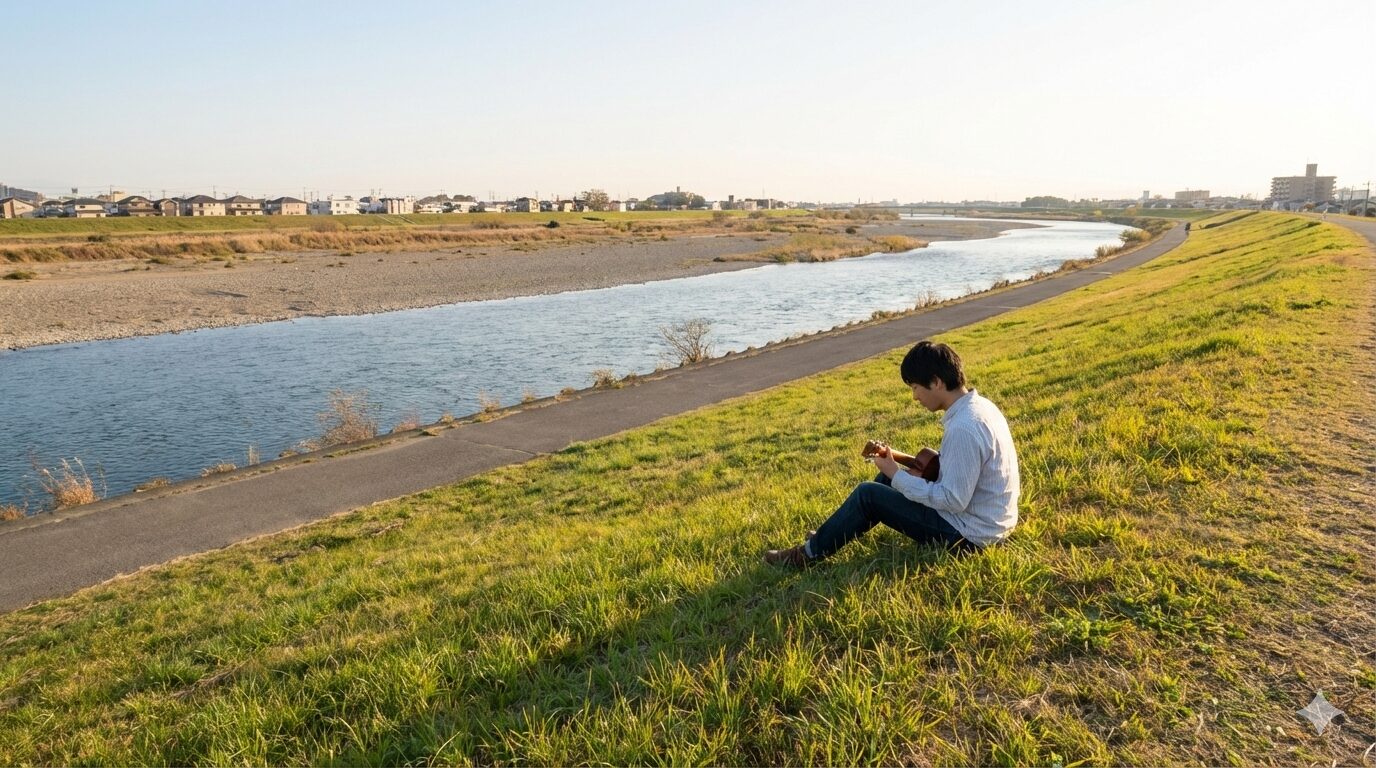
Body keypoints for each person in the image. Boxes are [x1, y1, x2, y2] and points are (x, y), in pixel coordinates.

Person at [763, 340, 1020, 567]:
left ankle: (806, 555)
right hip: (986, 520)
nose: (915, 397)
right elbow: (956, 473)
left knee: (868, 494)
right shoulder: (979, 407)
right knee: (886, 481)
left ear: (937, 382)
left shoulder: (964, 427)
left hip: (971, 536)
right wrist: (897, 467)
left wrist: (897, 475)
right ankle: (826, 537)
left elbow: (953, 500)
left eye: (916, 387)